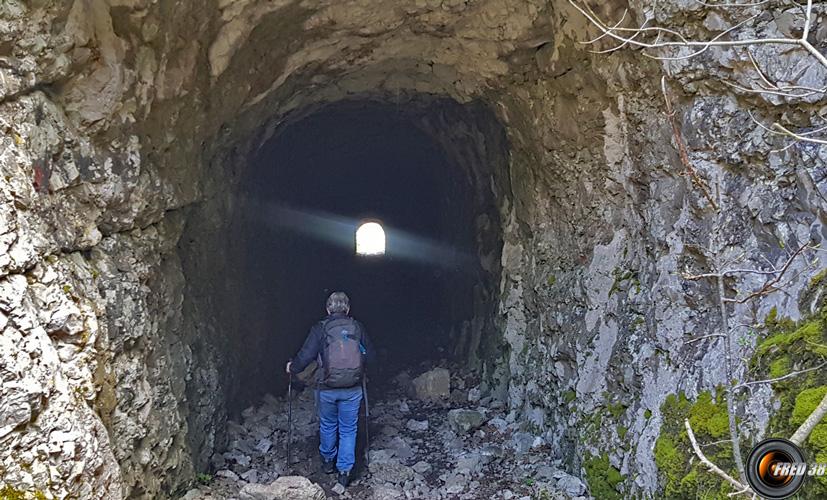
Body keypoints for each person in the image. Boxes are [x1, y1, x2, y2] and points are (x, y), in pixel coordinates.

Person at [285, 291, 373, 488]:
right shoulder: (357, 327)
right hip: (353, 388)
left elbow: (306, 355)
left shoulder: (320, 329)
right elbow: (371, 356)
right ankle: (345, 471)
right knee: (349, 429)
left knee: (327, 424)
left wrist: (293, 367)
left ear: (327, 309)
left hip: (326, 387)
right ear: (348, 309)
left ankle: (327, 461)